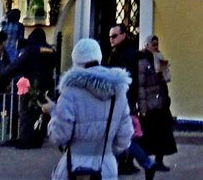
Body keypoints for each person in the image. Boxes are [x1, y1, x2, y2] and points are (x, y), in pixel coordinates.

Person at [41, 38, 134, 180]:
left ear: (76, 61)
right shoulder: (118, 91)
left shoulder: (70, 91)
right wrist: (106, 149)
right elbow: (124, 137)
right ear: (99, 57)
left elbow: (60, 135)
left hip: (74, 167)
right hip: (106, 167)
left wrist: (54, 112)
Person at [0, 26, 56, 148]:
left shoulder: (31, 49)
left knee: (27, 112)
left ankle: (26, 140)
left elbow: (18, 64)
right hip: (47, 84)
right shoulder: (50, 49)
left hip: (32, 84)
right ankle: (38, 138)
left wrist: (3, 75)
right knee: (43, 112)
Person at [136, 36, 176, 173]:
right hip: (150, 105)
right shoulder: (142, 61)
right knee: (148, 136)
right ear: (146, 45)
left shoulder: (158, 57)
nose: (156, 46)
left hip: (161, 103)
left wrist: (164, 70)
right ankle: (147, 163)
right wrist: (143, 107)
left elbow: (166, 80)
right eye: (153, 44)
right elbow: (141, 86)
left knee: (162, 135)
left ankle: (159, 161)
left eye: (157, 43)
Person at [108, 25, 141, 174]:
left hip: (124, 99)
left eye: (114, 36)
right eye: (110, 36)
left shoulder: (127, 53)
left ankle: (125, 163)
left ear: (124, 35)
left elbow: (128, 78)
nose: (111, 39)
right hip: (120, 99)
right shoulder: (117, 52)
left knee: (126, 132)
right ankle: (123, 163)